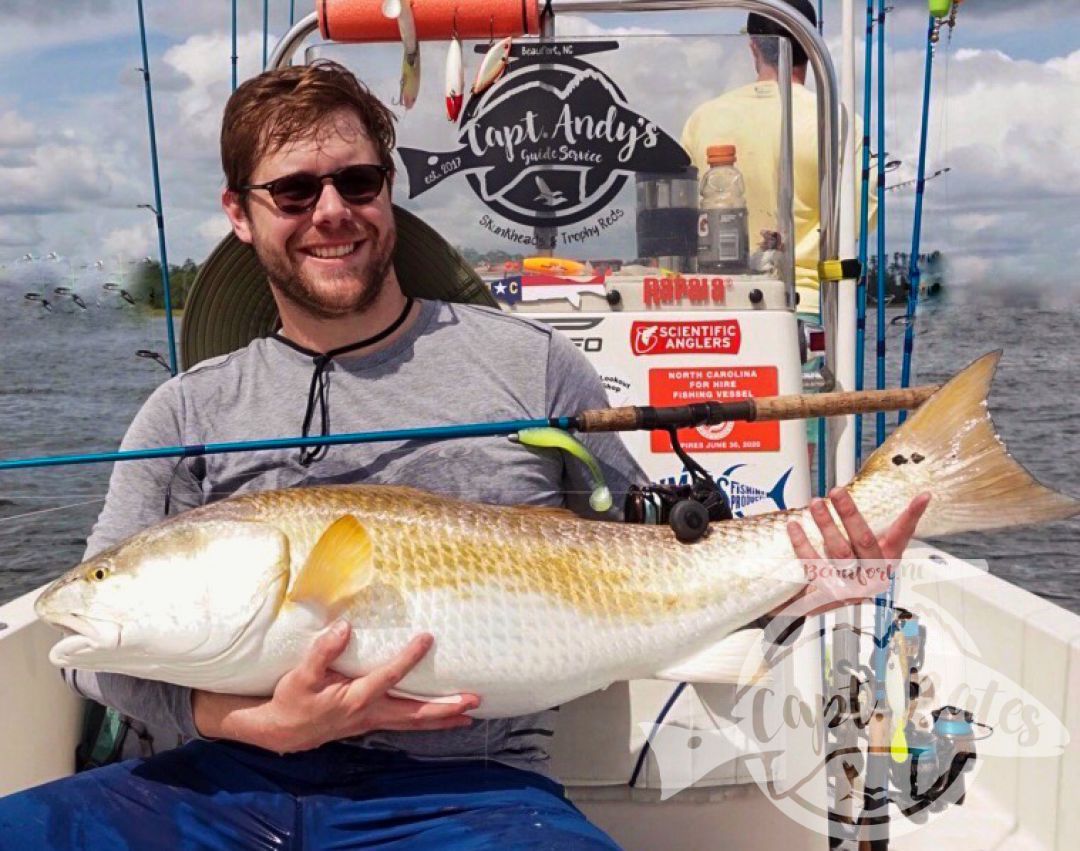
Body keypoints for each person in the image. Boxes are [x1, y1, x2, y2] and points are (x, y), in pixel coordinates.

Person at [0, 60, 926, 849]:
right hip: (217, 783)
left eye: (357, 183)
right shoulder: (186, 408)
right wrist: (251, 722)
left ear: (388, 192)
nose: (331, 211)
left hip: (470, 796)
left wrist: (799, 580)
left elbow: (652, 567)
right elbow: (87, 654)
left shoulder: (532, 362)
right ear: (241, 214)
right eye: (293, 191)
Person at [681, 0, 875, 319]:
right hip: (807, 305)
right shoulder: (838, 120)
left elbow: (680, 224)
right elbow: (858, 220)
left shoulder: (703, 118)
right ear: (812, 44)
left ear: (753, 45)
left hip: (719, 306)